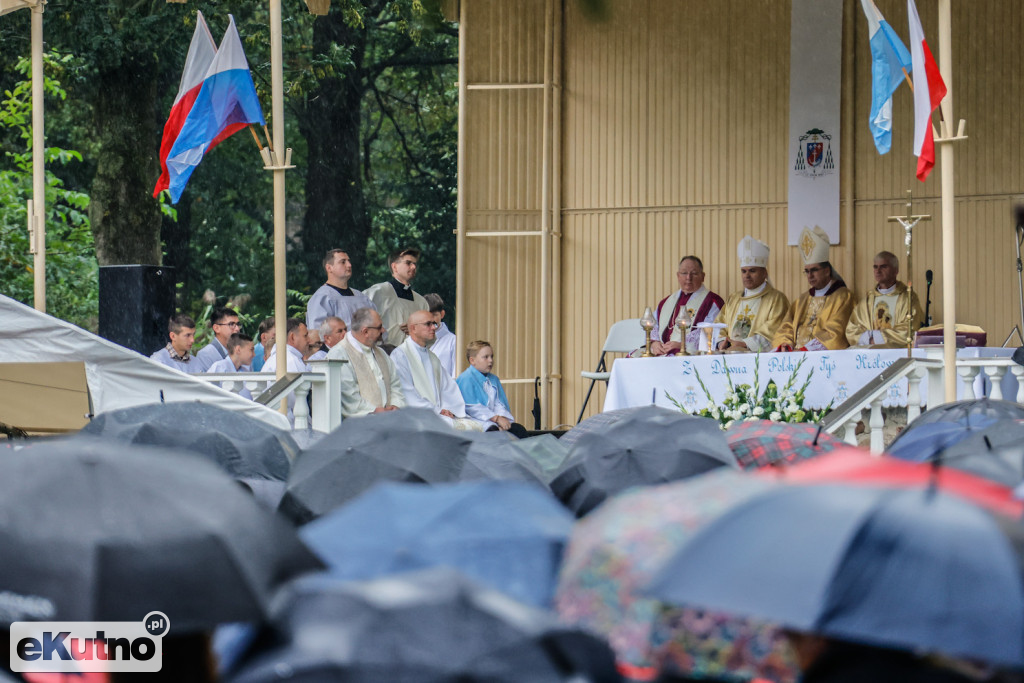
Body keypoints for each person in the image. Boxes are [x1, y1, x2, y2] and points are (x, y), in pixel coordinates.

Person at [391, 310, 488, 431]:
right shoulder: (400, 356)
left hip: (440, 415)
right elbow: (406, 393)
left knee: (486, 428)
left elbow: (448, 388)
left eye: (434, 324)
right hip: (417, 417)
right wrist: (438, 410)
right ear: (413, 328)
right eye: (428, 324)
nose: (433, 328)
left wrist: (450, 409)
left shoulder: (432, 358)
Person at [772, 226, 855, 352]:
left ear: (827, 271)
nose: (810, 276)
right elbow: (786, 326)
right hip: (796, 355)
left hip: (823, 358)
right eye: (807, 271)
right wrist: (785, 343)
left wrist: (807, 349)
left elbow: (837, 331)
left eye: (814, 270)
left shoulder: (843, 296)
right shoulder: (802, 299)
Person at [326, 307, 406, 417]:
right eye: (379, 327)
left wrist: (395, 405)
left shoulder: (381, 353)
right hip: (358, 427)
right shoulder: (339, 354)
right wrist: (373, 411)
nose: (383, 330)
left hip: (389, 423)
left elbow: (395, 384)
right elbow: (348, 395)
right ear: (365, 331)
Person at [715, 236, 791, 352]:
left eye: (752, 271)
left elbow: (775, 331)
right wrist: (721, 342)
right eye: (744, 271)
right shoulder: (733, 298)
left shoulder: (777, 299)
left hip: (757, 358)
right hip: (729, 355)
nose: (747, 275)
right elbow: (719, 325)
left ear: (764, 273)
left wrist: (744, 344)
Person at [846, 251, 924, 348]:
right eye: (875, 267)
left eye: (883, 267)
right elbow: (852, 329)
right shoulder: (867, 301)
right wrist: (867, 338)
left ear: (896, 271)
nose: (878, 271)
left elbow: (909, 329)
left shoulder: (908, 298)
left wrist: (878, 338)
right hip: (869, 356)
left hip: (898, 354)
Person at [650, 256, 725, 356]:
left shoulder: (712, 301)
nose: (688, 278)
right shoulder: (665, 302)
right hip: (661, 352)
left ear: (703, 276)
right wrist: (655, 343)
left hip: (690, 354)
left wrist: (682, 345)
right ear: (678, 276)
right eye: (684, 273)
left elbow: (711, 333)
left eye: (694, 273)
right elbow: (652, 326)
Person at [457, 340, 529, 438]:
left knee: (518, 429)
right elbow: (472, 407)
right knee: (492, 432)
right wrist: (496, 418)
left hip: (493, 421)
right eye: (485, 357)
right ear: (472, 360)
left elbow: (498, 403)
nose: (490, 360)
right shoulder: (465, 379)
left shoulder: (493, 379)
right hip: (475, 422)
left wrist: (502, 418)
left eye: (491, 356)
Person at [365, 247, 427, 346]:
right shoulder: (378, 292)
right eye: (408, 263)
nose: (413, 267)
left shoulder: (421, 301)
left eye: (415, 264)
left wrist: (416, 330)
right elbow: (360, 323)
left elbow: (429, 333)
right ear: (394, 267)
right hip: (383, 353)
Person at [305, 248, 376, 331]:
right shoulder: (321, 299)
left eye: (349, 261)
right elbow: (318, 333)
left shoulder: (361, 297)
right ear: (329, 268)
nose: (349, 265)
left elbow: (377, 324)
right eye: (343, 262)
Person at [207, 333, 256, 400]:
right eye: (251, 350)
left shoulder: (246, 371)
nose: (254, 354)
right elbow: (208, 393)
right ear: (238, 350)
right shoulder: (219, 367)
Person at [194, 307, 243, 372]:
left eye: (238, 324)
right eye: (232, 324)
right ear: (216, 328)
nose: (237, 329)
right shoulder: (206, 355)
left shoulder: (240, 352)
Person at [424, 293, 457, 377]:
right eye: (427, 315)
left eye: (434, 315)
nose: (430, 319)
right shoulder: (415, 340)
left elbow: (456, 374)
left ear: (442, 314)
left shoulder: (453, 341)